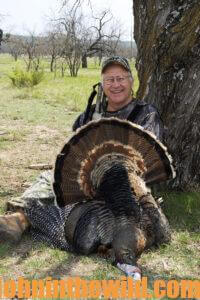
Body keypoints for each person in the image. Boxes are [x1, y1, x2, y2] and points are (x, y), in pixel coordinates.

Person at [0, 56, 170, 278]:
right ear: (102, 83)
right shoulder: (89, 114)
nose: (116, 84)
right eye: (110, 80)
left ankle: (30, 217)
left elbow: (146, 162)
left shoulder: (145, 113)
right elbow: (73, 158)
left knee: (115, 210)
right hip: (90, 183)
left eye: (121, 78)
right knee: (48, 178)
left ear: (131, 81)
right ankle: (20, 217)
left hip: (129, 185)